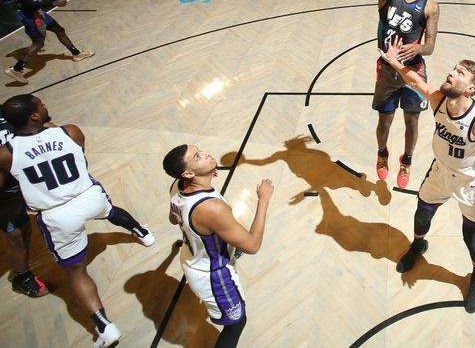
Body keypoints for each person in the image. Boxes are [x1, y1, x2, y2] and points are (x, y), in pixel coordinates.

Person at [378, 36, 475, 313]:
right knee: (421, 215)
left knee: (471, 237)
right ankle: (418, 246)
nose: (451, 73)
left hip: (470, 184)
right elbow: (415, 82)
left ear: (470, 89)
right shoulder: (439, 99)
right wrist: (394, 60)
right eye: (453, 68)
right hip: (440, 172)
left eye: (459, 73)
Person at [0, 94, 155, 347]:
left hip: (58, 215)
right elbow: (78, 159)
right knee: (111, 211)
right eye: (41, 104)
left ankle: (105, 328)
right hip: (88, 195)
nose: (46, 104)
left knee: (76, 271)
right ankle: (141, 232)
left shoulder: (5, 155)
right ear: (35, 116)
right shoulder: (70, 131)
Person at [164, 145, 274, 347]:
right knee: (237, 324)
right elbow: (253, 245)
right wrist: (264, 199)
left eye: (200, 151)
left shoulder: (176, 186)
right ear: (188, 173)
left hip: (193, 255)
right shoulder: (212, 209)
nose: (206, 153)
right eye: (198, 157)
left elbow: (173, 219)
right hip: (214, 274)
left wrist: (204, 178)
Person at [368, 0, 440, 188]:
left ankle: (406, 161)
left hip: (413, 71)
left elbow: (431, 46)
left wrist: (417, 47)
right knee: (384, 121)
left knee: (412, 121)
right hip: (387, 69)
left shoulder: (430, 6)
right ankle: (383, 153)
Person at [4, 0, 94, 84]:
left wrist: (21, 2)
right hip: (32, 16)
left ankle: (76, 54)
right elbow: (28, 5)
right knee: (38, 44)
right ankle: (16, 69)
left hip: (36, 12)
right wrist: (53, 2)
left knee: (59, 30)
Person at [0, 110, 49, 298]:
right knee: (18, 234)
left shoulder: (5, 110)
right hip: (6, 195)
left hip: (25, 179)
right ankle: (22, 277)